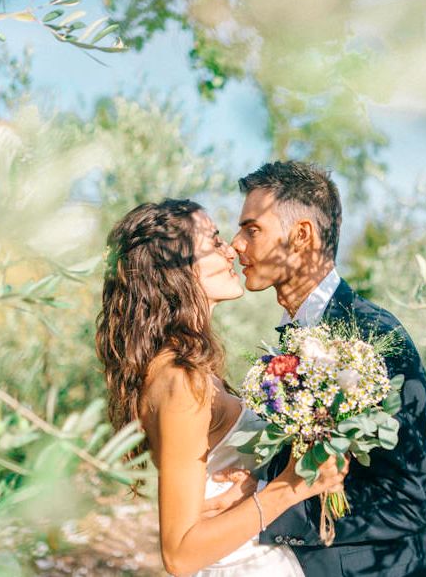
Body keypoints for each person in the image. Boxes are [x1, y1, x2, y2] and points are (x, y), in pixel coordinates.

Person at [95, 198, 347, 577]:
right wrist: (292, 486)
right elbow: (179, 554)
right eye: (213, 241)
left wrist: (252, 488)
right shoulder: (181, 380)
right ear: (173, 270)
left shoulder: (185, 367)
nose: (230, 249)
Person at [231, 161, 426, 577]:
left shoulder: (374, 336)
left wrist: (266, 517)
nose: (237, 244)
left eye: (251, 229)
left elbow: (411, 499)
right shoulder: (293, 338)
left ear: (302, 235)